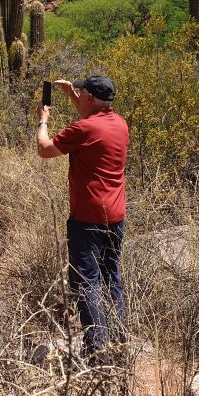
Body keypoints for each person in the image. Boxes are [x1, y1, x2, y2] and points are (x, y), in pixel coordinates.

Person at [37, 75, 129, 359]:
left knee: (86, 282)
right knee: (110, 276)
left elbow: (44, 149)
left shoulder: (84, 128)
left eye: (81, 93)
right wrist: (71, 95)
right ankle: (119, 339)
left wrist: (43, 120)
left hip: (87, 220)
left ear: (89, 97)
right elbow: (92, 119)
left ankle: (96, 349)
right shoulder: (120, 124)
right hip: (115, 217)